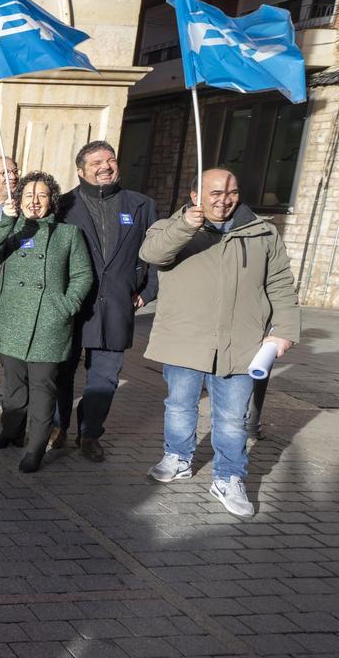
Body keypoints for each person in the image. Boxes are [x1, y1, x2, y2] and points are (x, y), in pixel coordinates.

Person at [141, 168, 299, 517]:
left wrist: (285, 329)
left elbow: (281, 285)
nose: (224, 201)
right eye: (215, 194)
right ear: (196, 195)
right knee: (179, 405)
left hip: (240, 343)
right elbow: (153, 254)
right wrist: (185, 224)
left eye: (231, 193)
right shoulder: (173, 228)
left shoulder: (263, 232)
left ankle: (229, 477)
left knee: (232, 418)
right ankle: (177, 457)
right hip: (184, 339)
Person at [0, 170, 92, 473]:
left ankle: (36, 447)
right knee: (13, 384)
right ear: (20, 199)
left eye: (41, 195)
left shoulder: (68, 234)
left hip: (49, 323)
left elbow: (82, 276)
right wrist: (5, 219)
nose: (35, 201)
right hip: (12, 318)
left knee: (43, 389)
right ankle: (11, 432)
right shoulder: (12, 229)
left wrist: (65, 306)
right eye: (29, 195)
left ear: (51, 200)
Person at [54, 141, 159, 461]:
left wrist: (148, 291)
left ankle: (89, 433)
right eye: (97, 161)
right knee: (61, 371)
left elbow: (155, 253)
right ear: (81, 170)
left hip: (116, 306)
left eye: (111, 160)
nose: (105, 166)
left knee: (106, 377)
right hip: (71, 306)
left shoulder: (141, 205)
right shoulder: (62, 205)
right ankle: (58, 427)